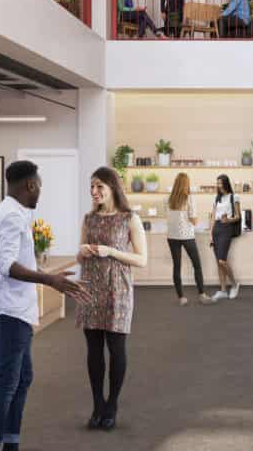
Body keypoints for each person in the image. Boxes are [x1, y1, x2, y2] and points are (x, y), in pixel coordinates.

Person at [0, 160, 89, 451]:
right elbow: (6, 266)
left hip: (15, 310)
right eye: (39, 185)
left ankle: (10, 443)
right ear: (29, 185)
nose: (40, 190)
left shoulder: (13, 213)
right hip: (7, 310)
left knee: (22, 378)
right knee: (6, 382)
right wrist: (49, 279)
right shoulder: (11, 217)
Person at [76, 166, 148, 431]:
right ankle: (97, 404)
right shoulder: (88, 219)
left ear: (112, 188)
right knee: (93, 350)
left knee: (116, 349)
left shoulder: (130, 218)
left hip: (118, 289)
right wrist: (82, 253)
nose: (94, 192)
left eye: (100, 187)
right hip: (90, 289)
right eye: (92, 187)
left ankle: (112, 404)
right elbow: (78, 256)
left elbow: (142, 259)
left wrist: (112, 252)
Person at [166, 173, 214, 306]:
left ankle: (181, 298)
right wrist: (196, 219)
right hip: (187, 236)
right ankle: (202, 295)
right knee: (197, 265)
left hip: (172, 236)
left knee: (177, 266)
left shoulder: (168, 199)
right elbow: (193, 220)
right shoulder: (189, 198)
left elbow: (168, 217)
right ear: (186, 184)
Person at [210, 174, 242, 301]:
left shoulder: (234, 197)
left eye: (220, 183)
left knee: (222, 260)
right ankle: (223, 290)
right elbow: (212, 217)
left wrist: (228, 219)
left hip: (226, 228)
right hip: (216, 228)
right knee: (218, 262)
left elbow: (238, 216)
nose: (218, 185)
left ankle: (234, 284)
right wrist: (210, 235)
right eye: (217, 183)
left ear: (225, 183)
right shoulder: (216, 198)